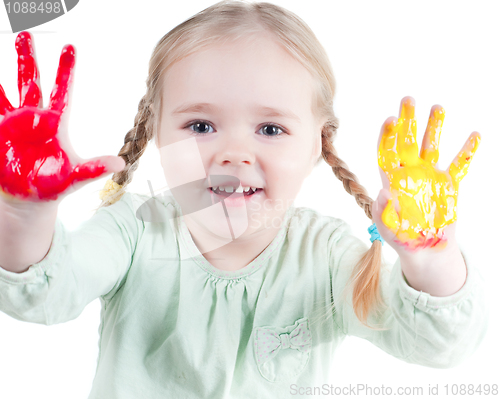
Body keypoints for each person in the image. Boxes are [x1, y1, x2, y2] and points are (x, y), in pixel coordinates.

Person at [0, 1, 488, 398]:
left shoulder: (327, 256)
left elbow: (440, 346)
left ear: (318, 144)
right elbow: (43, 294)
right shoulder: (132, 229)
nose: (234, 153)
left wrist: (429, 256)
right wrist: (23, 215)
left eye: (270, 128)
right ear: (156, 133)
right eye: (201, 125)